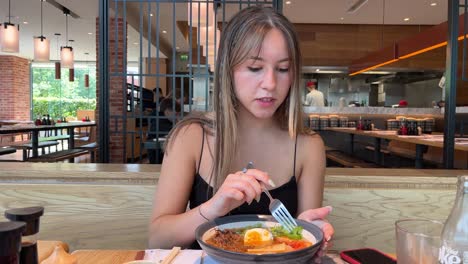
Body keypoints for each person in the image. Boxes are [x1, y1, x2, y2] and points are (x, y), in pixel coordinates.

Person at [148, 6, 334, 261]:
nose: (270, 83)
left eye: (282, 69)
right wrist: (214, 207)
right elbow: (158, 238)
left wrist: (306, 236)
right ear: (229, 70)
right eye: (255, 68)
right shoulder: (192, 136)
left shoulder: (308, 145)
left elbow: (302, 239)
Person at [147, 97, 181, 163]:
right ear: (167, 111)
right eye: (176, 114)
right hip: (158, 160)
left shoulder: (163, 119)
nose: (177, 117)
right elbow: (174, 132)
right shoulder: (159, 121)